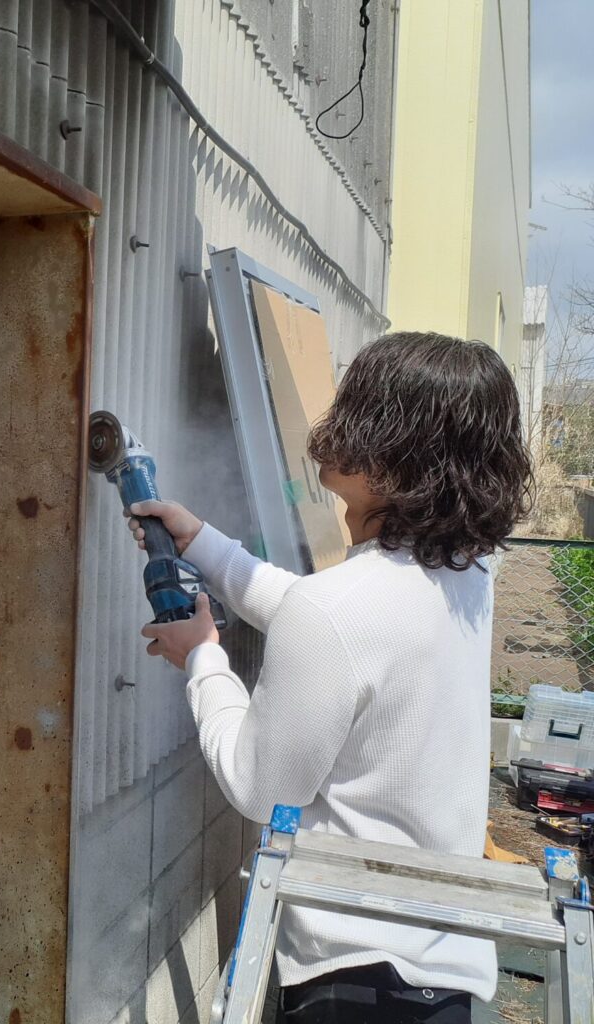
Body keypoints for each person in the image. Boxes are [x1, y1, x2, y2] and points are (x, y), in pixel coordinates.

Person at [125, 333, 533, 1024]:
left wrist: (203, 659)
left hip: (355, 983)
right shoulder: (467, 575)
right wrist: (203, 543)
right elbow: (331, 621)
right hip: (446, 967)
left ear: (389, 452)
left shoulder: (336, 611)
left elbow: (258, 786)